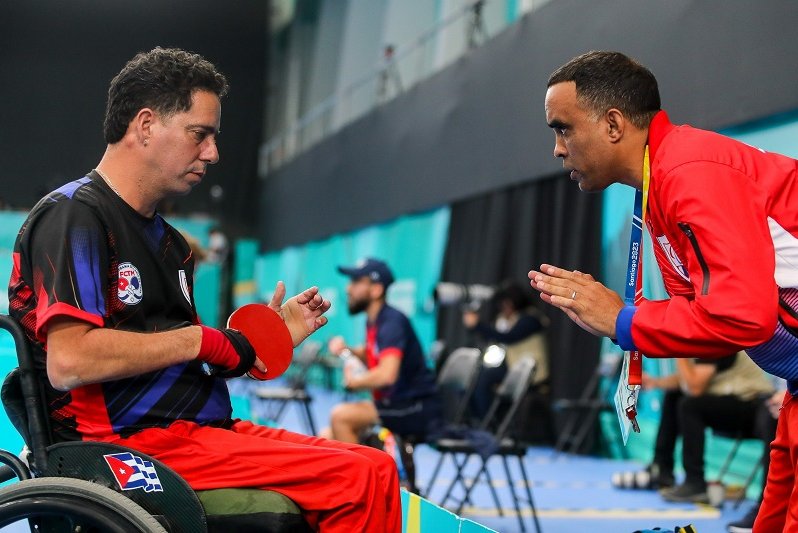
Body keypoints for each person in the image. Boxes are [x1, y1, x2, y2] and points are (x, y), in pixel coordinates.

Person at [8, 47, 400, 533]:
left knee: (378, 467)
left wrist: (260, 345)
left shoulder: (173, 245)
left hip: (196, 429)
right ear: (146, 125)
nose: (213, 153)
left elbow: (177, 360)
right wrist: (202, 340)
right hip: (123, 446)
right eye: (201, 134)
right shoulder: (75, 216)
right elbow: (71, 362)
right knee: (355, 477)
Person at [528, 50, 798, 531]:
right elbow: (707, 320)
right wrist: (621, 320)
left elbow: (743, 317)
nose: (557, 148)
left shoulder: (690, 170)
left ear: (613, 124)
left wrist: (622, 320)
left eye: (562, 127)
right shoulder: (659, 186)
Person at [321, 258, 441, 444]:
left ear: (376, 290)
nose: (348, 289)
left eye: (356, 282)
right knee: (326, 437)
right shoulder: (374, 320)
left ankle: (360, 473)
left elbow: (387, 375)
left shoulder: (391, 323)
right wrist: (348, 350)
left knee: (341, 416)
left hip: (415, 407)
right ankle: (369, 470)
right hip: (396, 404)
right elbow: (373, 356)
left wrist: (353, 383)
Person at [632, 352, 774, 504]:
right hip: (736, 399)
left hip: (756, 407)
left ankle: (695, 483)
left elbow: (694, 388)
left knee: (690, 406)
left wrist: (679, 352)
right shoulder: (700, 340)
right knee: (674, 396)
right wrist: (655, 382)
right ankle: (661, 469)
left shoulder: (715, 337)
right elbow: (686, 382)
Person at [462, 280, 549, 420]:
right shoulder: (507, 318)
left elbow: (509, 337)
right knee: (474, 375)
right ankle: (476, 420)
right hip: (513, 367)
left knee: (484, 378)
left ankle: (487, 423)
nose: (503, 308)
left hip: (532, 373)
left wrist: (478, 325)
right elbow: (496, 337)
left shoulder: (531, 319)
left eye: (506, 304)